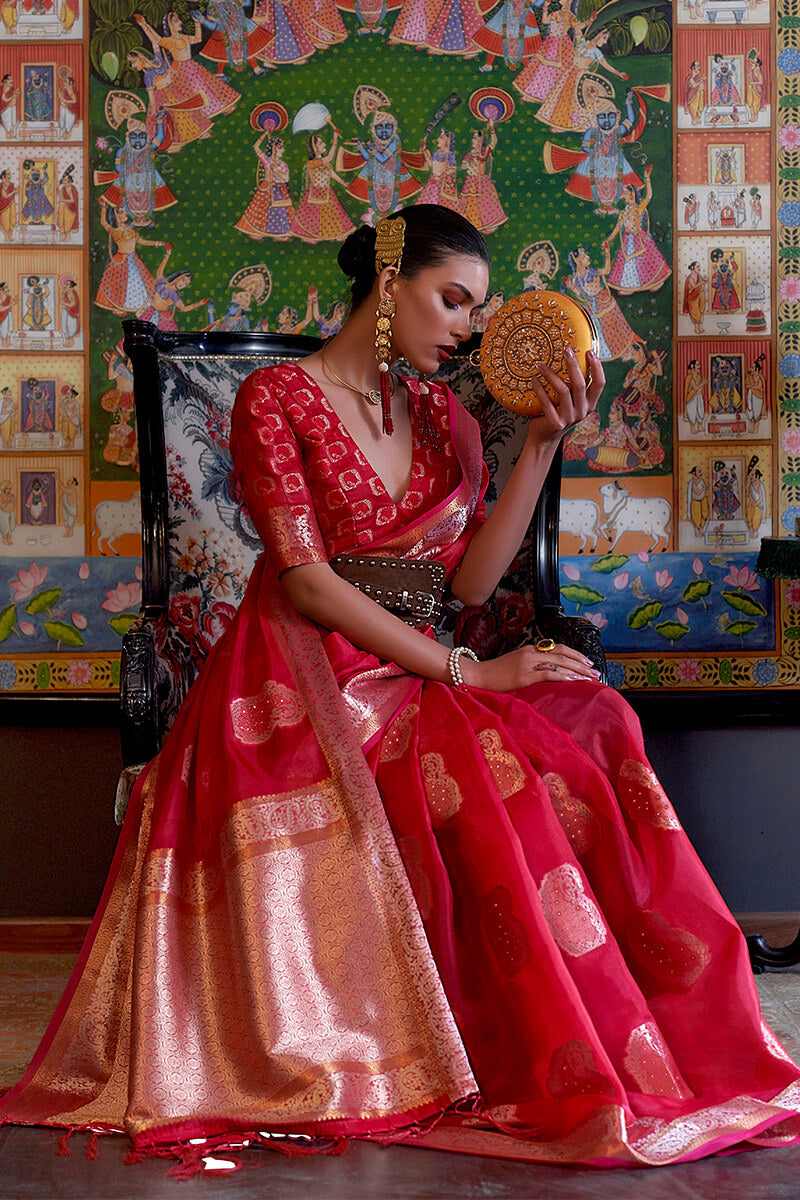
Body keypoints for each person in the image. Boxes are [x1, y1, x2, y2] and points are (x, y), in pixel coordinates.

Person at [3, 205, 800, 1174]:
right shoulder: (278, 399)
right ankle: (497, 1050)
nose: (465, 325)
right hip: (304, 677)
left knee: (595, 714)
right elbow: (305, 583)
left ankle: (644, 1035)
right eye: (451, 298)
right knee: (486, 755)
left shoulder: (440, 416)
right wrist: (472, 670)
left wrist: (542, 445)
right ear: (390, 281)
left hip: (412, 662)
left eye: (475, 305)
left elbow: (465, 587)